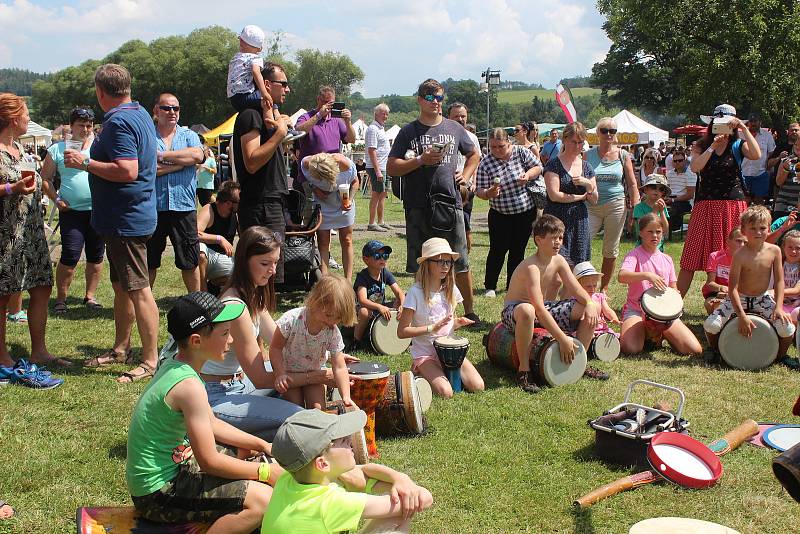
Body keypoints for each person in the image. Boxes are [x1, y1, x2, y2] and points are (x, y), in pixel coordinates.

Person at [126, 291, 280, 532]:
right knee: (263, 500)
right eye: (225, 334)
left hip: (177, 469)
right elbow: (209, 461)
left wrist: (262, 445)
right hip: (158, 493)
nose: (231, 341)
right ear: (197, 341)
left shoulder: (178, 366)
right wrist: (265, 472)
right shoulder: (189, 387)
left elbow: (213, 424)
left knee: (247, 453)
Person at [65, 64, 160, 382]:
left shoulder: (118, 121)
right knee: (122, 288)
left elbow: (127, 170)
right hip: (129, 216)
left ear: (100, 92)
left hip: (126, 220)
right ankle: (121, 348)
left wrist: (85, 162)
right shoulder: (141, 112)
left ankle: (150, 360)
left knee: (139, 290)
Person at [201, 226, 311, 440]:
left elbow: (282, 341)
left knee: (301, 370)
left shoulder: (252, 294)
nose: (272, 270)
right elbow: (261, 378)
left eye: (276, 262)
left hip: (241, 383)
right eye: (265, 263)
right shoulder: (235, 306)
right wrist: (315, 375)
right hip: (218, 396)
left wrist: (324, 354)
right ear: (244, 261)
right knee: (299, 418)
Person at [387, 79, 482, 323]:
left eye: (440, 98)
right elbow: (392, 167)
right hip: (418, 206)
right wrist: (420, 160)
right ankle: (426, 314)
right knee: (424, 262)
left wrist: (466, 175)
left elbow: (474, 154)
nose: (436, 103)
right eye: (431, 98)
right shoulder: (408, 131)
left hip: (450, 203)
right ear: (420, 100)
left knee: (458, 260)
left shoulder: (453, 128)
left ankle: (469, 311)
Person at [264, 409, 433, 533]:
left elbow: (365, 472)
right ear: (322, 464)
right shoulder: (333, 504)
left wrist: (399, 478)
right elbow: (424, 499)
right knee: (399, 515)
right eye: (341, 440)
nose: (349, 439)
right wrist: (406, 486)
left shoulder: (290, 478)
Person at [0, 93, 66, 371]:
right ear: (14, 118)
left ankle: (39, 351)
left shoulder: (21, 149)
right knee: (2, 295)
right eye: (26, 114)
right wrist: (9, 189)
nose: (29, 118)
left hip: (31, 235)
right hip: (5, 236)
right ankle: (1, 355)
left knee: (41, 287)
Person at [502, 216, 605, 393]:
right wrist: (562, 338)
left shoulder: (558, 260)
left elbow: (575, 288)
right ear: (539, 240)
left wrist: (588, 302)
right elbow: (538, 308)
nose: (558, 242)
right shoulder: (531, 267)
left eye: (560, 237)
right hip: (517, 311)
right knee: (528, 310)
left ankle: (580, 361)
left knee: (592, 306)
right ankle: (524, 371)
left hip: (543, 307)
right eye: (553, 238)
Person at [676, 104, 761, 296]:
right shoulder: (701, 145)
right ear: (712, 123)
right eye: (718, 122)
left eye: (727, 123)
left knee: (736, 254)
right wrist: (713, 146)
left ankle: (738, 298)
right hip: (705, 205)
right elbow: (696, 168)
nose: (722, 127)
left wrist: (744, 128)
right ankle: (674, 304)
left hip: (733, 205)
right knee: (690, 257)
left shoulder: (738, 145)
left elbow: (757, 155)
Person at [396, 238, 484, 398]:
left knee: (478, 386)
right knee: (446, 392)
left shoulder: (451, 289)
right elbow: (402, 332)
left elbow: (447, 323)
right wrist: (431, 328)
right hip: (426, 354)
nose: (445, 266)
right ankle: (420, 371)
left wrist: (457, 323)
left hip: (449, 352)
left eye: (448, 262)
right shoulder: (415, 293)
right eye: (440, 261)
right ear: (427, 263)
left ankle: (441, 372)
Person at [703, 206, 794, 360]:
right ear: (744, 230)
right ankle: (715, 349)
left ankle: (780, 356)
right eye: (753, 228)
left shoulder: (775, 251)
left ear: (769, 228)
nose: (758, 232)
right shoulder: (740, 255)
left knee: (788, 329)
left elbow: (779, 281)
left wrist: (778, 307)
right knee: (711, 325)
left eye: (762, 228)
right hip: (739, 298)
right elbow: (732, 290)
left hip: (762, 298)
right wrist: (741, 316)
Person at [40, 106, 104, 314]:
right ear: (71, 126)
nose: (86, 130)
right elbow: (45, 179)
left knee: (96, 256)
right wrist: (56, 199)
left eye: (89, 125)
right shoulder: (58, 149)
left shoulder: (100, 147)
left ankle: (90, 296)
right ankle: (61, 299)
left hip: (98, 211)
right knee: (70, 256)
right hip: (71, 212)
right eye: (81, 125)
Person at [233, 62, 291, 283]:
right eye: (283, 84)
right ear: (266, 84)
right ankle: (252, 317)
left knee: (271, 273)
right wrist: (279, 135)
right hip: (260, 205)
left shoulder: (266, 115)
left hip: (272, 201)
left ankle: (262, 316)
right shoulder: (250, 115)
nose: (287, 89)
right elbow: (252, 162)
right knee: (259, 274)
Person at [618, 212, 703, 356]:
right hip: (637, 311)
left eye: (658, 232)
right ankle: (648, 332)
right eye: (650, 232)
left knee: (694, 350)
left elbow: (673, 287)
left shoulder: (667, 259)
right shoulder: (634, 255)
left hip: (664, 315)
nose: (655, 236)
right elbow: (622, 276)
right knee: (631, 349)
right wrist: (647, 275)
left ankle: (657, 332)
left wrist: (675, 296)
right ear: (641, 233)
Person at [270, 274, 356, 409]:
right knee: (295, 408)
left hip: (315, 374)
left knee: (318, 409)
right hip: (290, 374)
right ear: (315, 301)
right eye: (328, 315)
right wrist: (280, 373)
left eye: (338, 318)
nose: (331, 322)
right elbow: (275, 348)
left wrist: (345, 395)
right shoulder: (291, 321)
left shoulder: (331, 331)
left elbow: (339, 366)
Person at [475, 128, 542, 298]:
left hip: (525, 212)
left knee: (517, 250)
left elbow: (538, 167)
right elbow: (479, 190)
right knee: (497, 250)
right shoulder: (486, 163)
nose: (497, 150)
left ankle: (512, 285)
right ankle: (490, 285)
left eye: (501, 146)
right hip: (499, 214)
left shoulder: (521, 152)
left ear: (509, 143)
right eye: (493, 147)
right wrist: (489, 193)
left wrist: (527, 175)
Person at [147, 93, 204, 292]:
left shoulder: (189, 135)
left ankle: (196, 302)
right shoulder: (147, 137)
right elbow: (147, 169)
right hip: (153, 208)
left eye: (176, 108)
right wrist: (180, 164)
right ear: (156, 110)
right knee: (149, 261)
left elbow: (197, 155)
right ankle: (144, 305)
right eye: (166, 108)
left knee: (190, 260)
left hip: (184, 207)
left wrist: (162, 156)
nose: (172, 112)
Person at [585, 117, 639, 291]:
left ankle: (604, 289)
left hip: (616, 204)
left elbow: (631, 184)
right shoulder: (588, 155)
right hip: (591, 206)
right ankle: (582, 284)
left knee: (610, 249)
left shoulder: (623, 155)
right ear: (598, 133)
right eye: (604, 130)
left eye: (612, 131)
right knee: (583, 243)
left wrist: (635, 205)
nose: (608, 134)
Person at [294, 86, 356, 219]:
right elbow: (299, 131)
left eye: (331, 103)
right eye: (325, 102)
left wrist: (348, 122)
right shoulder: (306, 117)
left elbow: (351, 139)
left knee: (335, 213)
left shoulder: (336, 120)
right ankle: (309, 237)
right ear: (318, 100)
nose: (328, 106)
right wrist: (318, 115)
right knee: (311, 216)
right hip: (310, 175)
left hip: (332, 175)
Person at [542, 121, 598, 267]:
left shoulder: (587, 167)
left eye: (581, 142)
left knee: (579, 267)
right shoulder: (553, 164)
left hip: (579, 221)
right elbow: (554, 195)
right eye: (574, 142)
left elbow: (594, 199)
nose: (578, 146)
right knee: (554, 267)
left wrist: (587, 184)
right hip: (556, 220)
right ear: (565, 139)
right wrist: (580, 197)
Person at [302, 153, 358, 281]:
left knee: (347, 239)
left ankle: (348, 281)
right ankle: (325, 280)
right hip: (323, 204)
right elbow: (306, 180)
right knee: (323, 242)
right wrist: (315, 188)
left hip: (343, 202)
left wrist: (349, 199)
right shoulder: (307, 163)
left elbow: (355, 182)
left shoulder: (344, 164)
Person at [352, 240, 405, 350]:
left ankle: (402, 335)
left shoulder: (384, 272)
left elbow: (399, 293)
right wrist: (379, 307)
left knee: (406, 298)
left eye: (385, 256)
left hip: (380, 309)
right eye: (377, 256)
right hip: (362, 311)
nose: (382, 259)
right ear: (366, 259)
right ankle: (356, 342)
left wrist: (402, 305)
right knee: (364, 311)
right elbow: (362, 300)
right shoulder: (362, 276)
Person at [447, 102, 481, 253]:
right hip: (446, 185)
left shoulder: (472, 138)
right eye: (456, 116)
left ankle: (465, 255)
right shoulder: (444, 135)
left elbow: (476, 160)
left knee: (465, 222)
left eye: (463, 116)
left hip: (464, 186)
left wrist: (472, 180)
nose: (460, 119)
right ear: (448, 117)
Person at [197, 180, 240, 293]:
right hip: (207, 256)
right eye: (238, 201)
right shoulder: (209, 209)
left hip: (223, 258)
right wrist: (219, 239)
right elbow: (194, 233)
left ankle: (213, 286)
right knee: (200, 251)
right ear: (228, 203)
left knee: (239, 274)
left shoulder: (236, 215)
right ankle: (203, 295)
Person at [226, 25, 271, 117]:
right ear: (260, 48)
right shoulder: (255, 58)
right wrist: (264, 93)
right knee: (270, 100)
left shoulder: (236, 58)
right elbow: (256, 72)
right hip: (245, 96)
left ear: (241, 42)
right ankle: (273, 128)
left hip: (234, 99)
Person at [702, 228, 747, 314]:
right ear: (728, 241)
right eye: (738, 241)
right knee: (711, 304)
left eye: (745, 242)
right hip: (717, 292)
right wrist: (721, 288)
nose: (741, 245)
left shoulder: (749, 260)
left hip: (739, 294)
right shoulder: (715, 256)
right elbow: (710, 283)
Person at [572, 261, 620, 337]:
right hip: (585, 330)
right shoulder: (576, 300)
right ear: (578, 286)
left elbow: (607, 310)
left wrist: (614, 318)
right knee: (587, 337)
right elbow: (578, 318)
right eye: (588, 286)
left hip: (602, 330)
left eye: (594, 285)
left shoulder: (599, 297)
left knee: (613, 338)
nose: (592, 289)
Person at [365, 103, 392, 231]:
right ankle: (371, 223)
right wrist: (377, 171)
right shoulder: (372, 129)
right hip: (377, 167)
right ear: (376, 114)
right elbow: (372, 150)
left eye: (387, 113)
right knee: (376, 194)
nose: (385, 116)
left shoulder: (381, 128)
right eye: (383, 113)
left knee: (383, 193)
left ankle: (380, 221)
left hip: (383, 166)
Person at [740, 112, 775, 205]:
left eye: (755, 121)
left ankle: (759, 220)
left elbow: (771, 151)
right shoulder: (740, 134)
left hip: (760, 173)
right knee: (744, 200)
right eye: (751, 121)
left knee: (759, 201)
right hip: (743, 172)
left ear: (760, 122)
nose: (753, 123)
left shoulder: (767, 135)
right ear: (748, 122)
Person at [769, 122, 800, 218]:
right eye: (796, 147)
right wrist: (785, 169)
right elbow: (778, 182)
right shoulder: (787, 160)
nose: (798, 149)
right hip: (784, 204)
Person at [633, 174, 670, 251]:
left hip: (658, 248)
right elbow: (643, 228)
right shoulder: (639, 207)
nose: (657, 191)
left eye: (661, 189)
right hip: (643, 247)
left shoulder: (662, 207)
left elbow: (665, 230)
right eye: (653, 187)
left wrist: (662, 211)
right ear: (646, 190)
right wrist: (655, 211)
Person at [665, 148, 696, 235]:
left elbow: (690, 195)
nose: (677, 162)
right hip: (671, 199)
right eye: (675, 161)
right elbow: (667, 189)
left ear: (685, 161)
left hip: (685, 202)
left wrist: (674, 200)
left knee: (674, 208)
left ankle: (672, 229)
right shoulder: (669, 173)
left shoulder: (691, 174)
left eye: (680, 160)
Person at [779, 230, 800, 323]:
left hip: (797, 303)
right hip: (781, 301)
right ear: (783, 248)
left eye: (798, 248)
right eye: (790, 247)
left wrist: (773, 292)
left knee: (795, 313)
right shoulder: (778, 263)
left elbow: (796, 291)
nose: (794, 251)